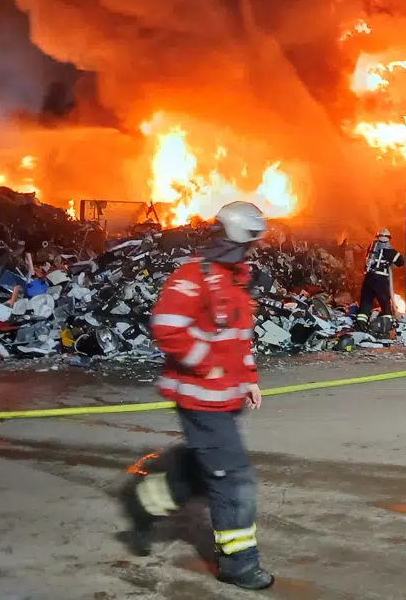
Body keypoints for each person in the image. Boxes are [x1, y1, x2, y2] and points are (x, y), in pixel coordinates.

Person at [121, 201, 274, 591]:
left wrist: (249, 377)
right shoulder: (193, 276)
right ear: (236, 238)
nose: (254, 250)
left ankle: (145, 502)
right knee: (233, 478)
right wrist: (207, 364)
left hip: (226, 396)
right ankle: (239, 564)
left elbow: (238, 337)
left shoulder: (234, 279)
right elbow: (167, 327)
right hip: (200, 397)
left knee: (205, 471)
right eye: (250, 242)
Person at [357, 228, 404, 330]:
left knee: (366, 302)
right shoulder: (391, 252)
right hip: (381, 280)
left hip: (369, 278)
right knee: (385, 303)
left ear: (378, 237)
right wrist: (391, 263)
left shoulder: (372, 248)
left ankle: (361, 325)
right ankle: (386, 326)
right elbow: (401, 262)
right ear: (388, 239)